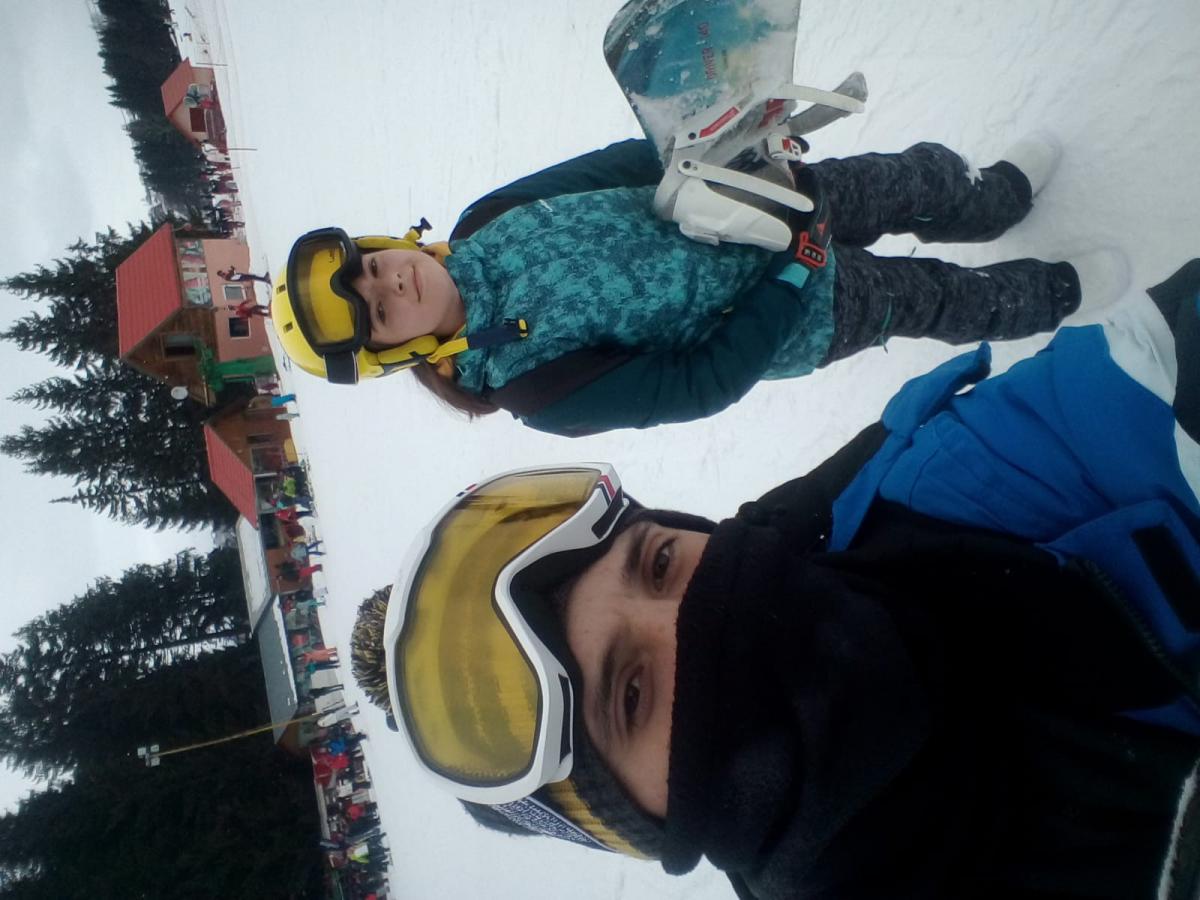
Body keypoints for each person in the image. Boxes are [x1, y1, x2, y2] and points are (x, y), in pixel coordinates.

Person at [350, 261, 1200, 899]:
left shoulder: (930, 495)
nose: (692, 617)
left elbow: (1141, 376)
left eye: (659, 563)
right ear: (640, 819)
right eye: (632, 693)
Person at [273, 135, 1124, 436]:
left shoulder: (486, 217)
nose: (393, 284)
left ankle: (999, 196)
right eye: (380, 311)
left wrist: (733, 151)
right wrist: (792, 279)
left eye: (374, 267)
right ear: (399, 351)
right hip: (806, 311)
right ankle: (1053, 293)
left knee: (908, 180)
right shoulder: (532, 387)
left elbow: (623, 164)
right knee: (938, 297)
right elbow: (698, 385)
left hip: (768, 199)